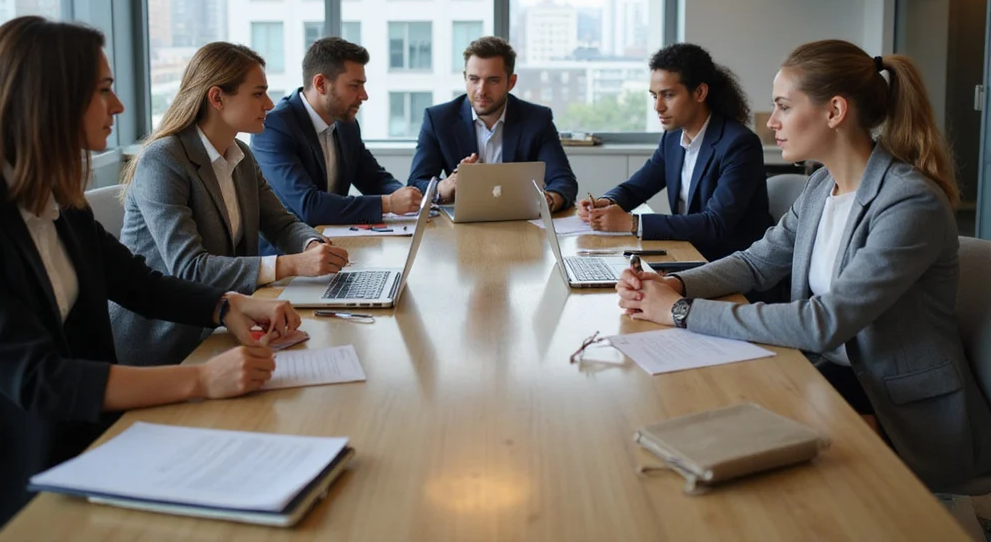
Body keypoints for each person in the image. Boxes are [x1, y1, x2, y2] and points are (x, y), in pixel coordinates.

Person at [0, 17, 302, 541]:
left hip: (95, 440)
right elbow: (39, 378)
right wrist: (200, 380)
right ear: (47, 100)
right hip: (11, 473)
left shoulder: (58, 197)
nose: (119, 106)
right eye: (103, 91)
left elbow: (137, 282)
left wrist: (226, 306)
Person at [615, 39, 991, 492]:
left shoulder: (909, 203)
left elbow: (824, 322)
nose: (771, 122)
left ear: (834, 111)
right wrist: (673, 283)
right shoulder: (820, 188)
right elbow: (756, 263)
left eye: (783, 106)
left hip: (905, 414)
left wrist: (678, 311)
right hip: (834, 377)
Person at [115, 42, 347, 366]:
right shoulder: (164, 160)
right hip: (168, 342)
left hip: (225, 323)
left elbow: (281, 222)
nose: (269, 103)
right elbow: (190, 268)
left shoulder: (241, 154)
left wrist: (312, 245)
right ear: (217, 97)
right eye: (257, 94)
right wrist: (291, 265)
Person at [578, 43, 772, 262]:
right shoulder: (672, 138)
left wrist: (631, 222)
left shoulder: (739, 144)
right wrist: (606, 202)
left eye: (668, 95)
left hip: (730, 264)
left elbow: (715, 224)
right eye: (654, 96)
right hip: (688, 254)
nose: (658, 107)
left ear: (700, 92)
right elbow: (636, 188)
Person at [251, 37, 419, 230]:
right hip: (289, 252)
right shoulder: (274, 126)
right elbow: (309, 205)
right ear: (321, 84)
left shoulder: (346, 124)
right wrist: (388, 203)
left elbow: (373, 178)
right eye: (354, 86)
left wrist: (407, 197)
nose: (364, 95)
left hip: (335, 240)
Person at [407, 36, 577, 211]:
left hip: (521, 222)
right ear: (465, 78)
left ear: (511, 82)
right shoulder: (438, 119)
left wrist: (548, 200)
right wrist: (447, 185)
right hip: (462, 224)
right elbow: (415, 183)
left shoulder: (537, 119)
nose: (482, 90)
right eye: (474, 79)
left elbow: (563, 181)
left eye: (493, 80)